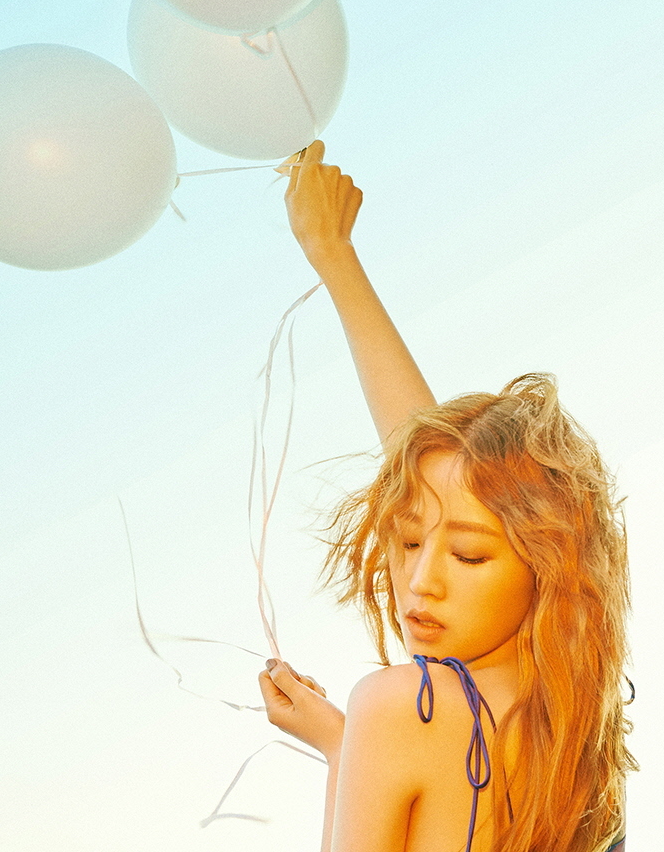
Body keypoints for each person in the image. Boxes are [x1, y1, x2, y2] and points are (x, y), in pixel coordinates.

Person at [257, 141, 633, 852]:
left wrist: (355, 746)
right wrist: (334, 255)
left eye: (468, 556)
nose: (419, 582)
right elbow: (436, 474)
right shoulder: (583, 743)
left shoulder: (401, 710)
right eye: (406, 542)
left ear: (545, 565)